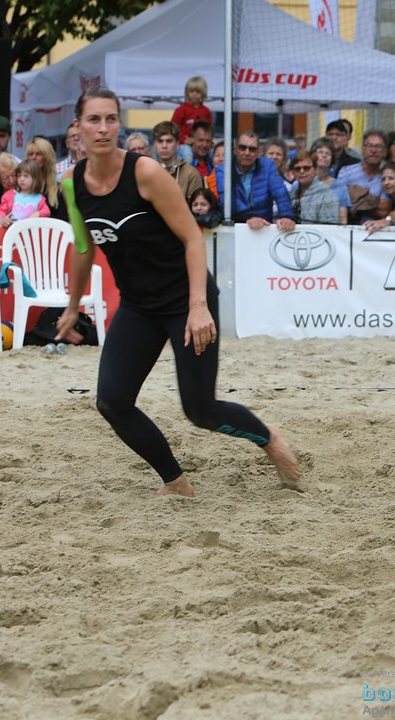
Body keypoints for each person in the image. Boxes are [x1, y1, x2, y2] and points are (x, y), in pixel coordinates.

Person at [55, 86, 300, 498]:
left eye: (111, 118)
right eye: (93, 119)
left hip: (186, 300)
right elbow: (83, 246)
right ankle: (176, 481)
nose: (103, 128)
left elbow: (193, 238)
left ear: (119, 122)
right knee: (112, 402)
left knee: (200, 410)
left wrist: (198, 307)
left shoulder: (146, 172)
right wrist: (71, 305)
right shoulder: (70, 183)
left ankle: (267, 437)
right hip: (139, 307)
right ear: (77, 127)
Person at [206, 131, 295, 230]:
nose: (247, 153)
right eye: (242, 148)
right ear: (235, 149)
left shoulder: (268, 165)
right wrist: (249, 219)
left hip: (264, 227)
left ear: (259, 152)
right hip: (234, 228)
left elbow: (280, 193)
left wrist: (286, 216)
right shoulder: (223, 170)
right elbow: (227, 202)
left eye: (252, 149)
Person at [339, 130, 393, 224]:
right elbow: (338, 202)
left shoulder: (386, 177)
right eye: (369, 145)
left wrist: (355, 200)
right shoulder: (346, 172)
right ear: (363, 149)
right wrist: (373, 202)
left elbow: (384, 211)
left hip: (375, 232)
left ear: (385, 152)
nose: (373, 150)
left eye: (378, 146)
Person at [152, 121, 203, 201]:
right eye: (160, 141)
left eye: (169, 141)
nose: (164, 146)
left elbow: (196, 208)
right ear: (154, 144)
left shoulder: (191, 173)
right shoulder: (146, 172)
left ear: (177, 144)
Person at [288, 150, 339, 224]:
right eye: (297, 169)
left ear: (315, 170)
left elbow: (329, 228)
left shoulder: (326, 195)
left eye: (306, 168)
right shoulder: (291, 194)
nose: (302, 171)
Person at [171, 76, 213, 164]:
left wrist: (209, 141)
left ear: (203, 93)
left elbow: (210, 130)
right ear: (187, 92)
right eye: (192, 91)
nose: (194, 94)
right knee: (188, 156)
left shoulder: (206, 111)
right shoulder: (181, 110)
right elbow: (172, 130)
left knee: (214, 155)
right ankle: (187, 176)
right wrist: (183, 139)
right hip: (184, 144)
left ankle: (213, 176)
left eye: (198, 92)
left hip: (202, 144)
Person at [310, 138, 350, 224]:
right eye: (320, 152)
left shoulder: (340, 185)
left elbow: (343, 220)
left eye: (328, 153)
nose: (324, 155)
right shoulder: (301, 183)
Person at [25, 137, 66, 220]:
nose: (33, 157)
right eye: (31, 154)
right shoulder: (19, 187)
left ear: (47, 157)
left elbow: (63, 219)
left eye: (38, 154)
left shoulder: (58, 189)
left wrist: (41, 216)